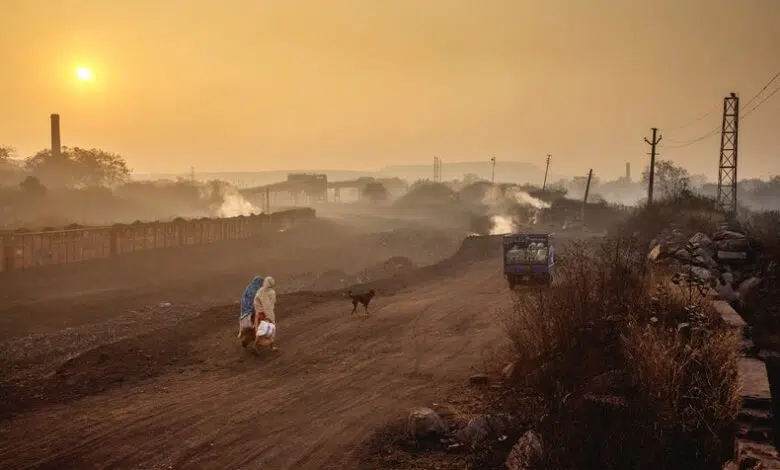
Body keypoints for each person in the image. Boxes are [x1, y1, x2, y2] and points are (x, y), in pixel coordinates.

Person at [237, 276, 264, 348]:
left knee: (249, 328)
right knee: (255, 328)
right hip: (252, 312)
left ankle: (246, 341)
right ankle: (256, 345)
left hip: (244, 312)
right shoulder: (257, 290)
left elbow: (244, 300)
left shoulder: (248, 288)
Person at [253, 276, 278, 350]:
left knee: (260, 330)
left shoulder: (260, 291)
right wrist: (269, 318)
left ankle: (256, 346)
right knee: (271, 328)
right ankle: (271, 345)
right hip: (264, 314)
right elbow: (268, 306)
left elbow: (255, 303)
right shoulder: (270, 292)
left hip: (259, 313)